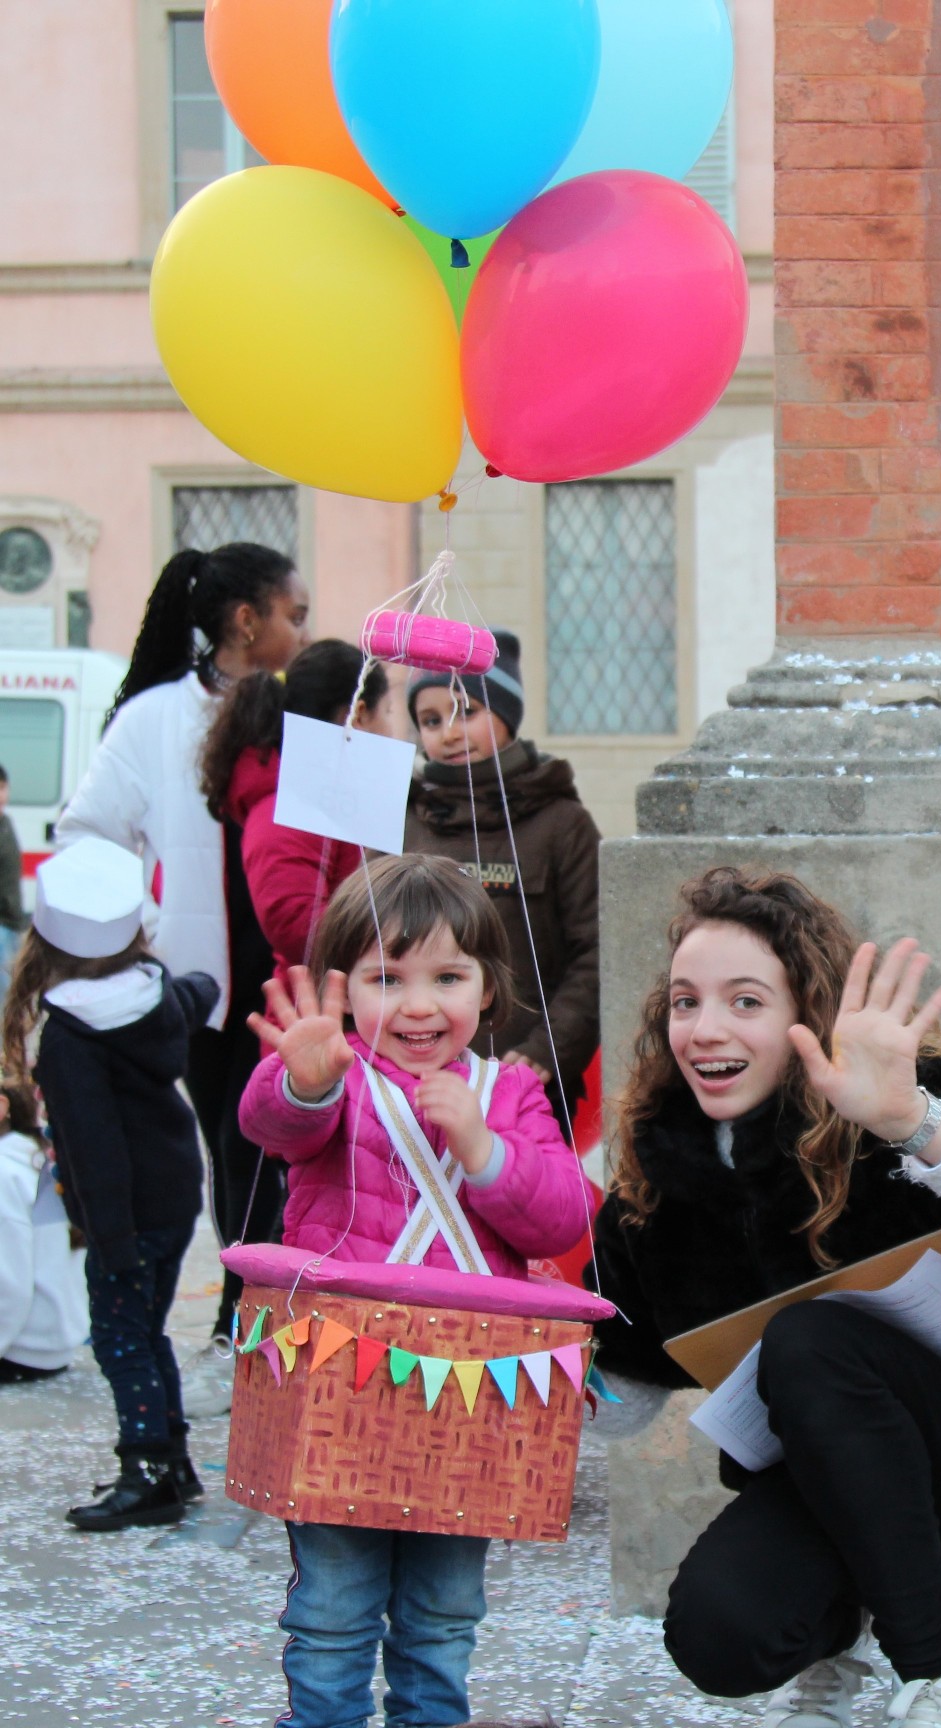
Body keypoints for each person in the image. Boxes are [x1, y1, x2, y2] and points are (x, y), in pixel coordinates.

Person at [590, 866, 941, 1728]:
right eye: (685, 1001)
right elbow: (625, 1390)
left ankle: (934, 1683)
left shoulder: (917, 1095)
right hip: (834, 1490)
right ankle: (843, 1644)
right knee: (717, 1635)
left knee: (813, 1338)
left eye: (743, 1001)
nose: (703, 1029)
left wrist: (912, 1122)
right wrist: (522, 1370)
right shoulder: (653, 1180)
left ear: (807, 1012)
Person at [237, 852, 589, 1728]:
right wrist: (305, 1082)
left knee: (443, 1612)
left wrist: (485, 1151)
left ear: (487, 988)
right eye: (386, 977)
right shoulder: (333, 1071)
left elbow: (560, 1217)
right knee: (329, 1605)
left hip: (467, 1395)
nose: (420, 1004)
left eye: (448, 976)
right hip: (339, 1379)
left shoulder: (507, 1091)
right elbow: (271, 1123)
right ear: (342, 987)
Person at [56, 541, 311, 1360]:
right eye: (292, 616)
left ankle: (259, 1301)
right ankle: (244, 1304)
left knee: (278, 1145)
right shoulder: (155, 717)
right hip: (202, 977)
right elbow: (88, 831)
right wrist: (141, 933)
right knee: (230, 1145)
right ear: (247, 620)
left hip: (294, 970)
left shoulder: (300, 708)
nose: (303, 633)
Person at [2, 837, 219, 1528]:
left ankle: (147, 1471)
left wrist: (111, 1241)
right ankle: (175, 1466)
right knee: (148, 1331)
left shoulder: (70, 1036)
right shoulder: (152, 992)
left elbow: (94, 1152)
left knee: (119, 1338)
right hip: (175, 1190)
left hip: (126, 1211)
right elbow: (199, 989)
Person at [403, 631, 600, 1128]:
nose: (447, 734)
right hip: (413, 1082)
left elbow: (598, 951)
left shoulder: (562, 823)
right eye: (430, 721)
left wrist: (546, 1052)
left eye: (465, 712)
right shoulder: (401, 823)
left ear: (507, 716)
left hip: (526, 1084)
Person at [201, 641, 394, 1005]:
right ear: (359, 715)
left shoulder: (324, 798)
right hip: (316, 1025)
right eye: (389, 710)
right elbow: (298, 931)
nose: (393, 728)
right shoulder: (287, 809)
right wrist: (404, 939)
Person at [0, 1081, 86, 1385]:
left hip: (20, 1349)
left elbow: (9, 1284)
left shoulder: (3, 1173)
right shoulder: (32, 1156)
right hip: (49, 1342)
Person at [0, 766, 27, 997]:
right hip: (2, 923)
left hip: (11, 922)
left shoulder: (6, 823)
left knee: (12, 993)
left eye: (2, 788)